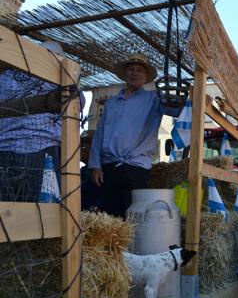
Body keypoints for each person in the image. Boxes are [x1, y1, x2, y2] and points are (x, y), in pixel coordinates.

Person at [88, 53, 183, 218]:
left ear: (146, 77)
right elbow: (99, 136)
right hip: (110, 166)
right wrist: (96, 165)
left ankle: (132, 244)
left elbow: (175, 110)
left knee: (134, 214)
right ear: (125, 74)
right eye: (131, 69)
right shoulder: (111, 103)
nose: (135, 73)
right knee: (110, 214)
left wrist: (175, 95)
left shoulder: (154, 98)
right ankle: (114, 243)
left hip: (137, 167)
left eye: (139, 70)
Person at [0, 41, 84, 202]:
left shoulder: (7, 76)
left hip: (4, 152)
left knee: (6, 210)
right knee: (43, 212)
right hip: (41, 153)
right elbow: (78, 102)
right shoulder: (57, 78)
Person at [80, 130, 103, 211]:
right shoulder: (81, 172)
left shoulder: (102, 170)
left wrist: (96, 207)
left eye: (83, 146)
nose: (80, 150)